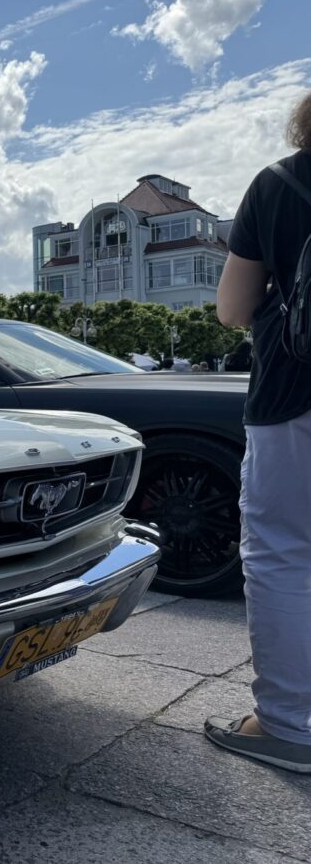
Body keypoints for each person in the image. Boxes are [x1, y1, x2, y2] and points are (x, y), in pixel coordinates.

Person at [206, 91, 311, 773]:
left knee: (282, 552)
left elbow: (233, 309)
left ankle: (284, 726)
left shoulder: (280, 183)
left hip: (295, 394)